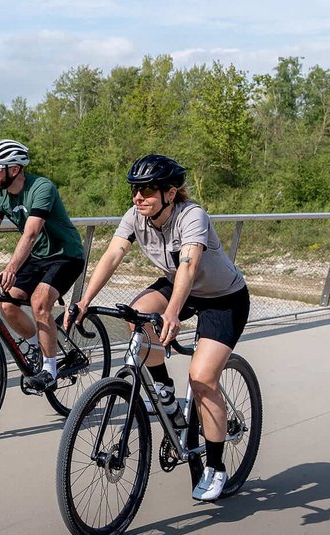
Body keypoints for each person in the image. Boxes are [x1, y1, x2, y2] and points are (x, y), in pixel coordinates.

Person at [62, 154, 251, 502]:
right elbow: (112, 255)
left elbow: (190, 265)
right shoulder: (136, 216)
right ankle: (163, 389)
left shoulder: (191, 215)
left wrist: (174, 314)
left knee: (202, 378)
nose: (138, 197)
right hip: (175, 284)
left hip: (223, 298)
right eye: (135, 189)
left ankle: (216, 467)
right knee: (136, 315)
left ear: (171, 192)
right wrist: (84, 300)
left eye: (148, 190)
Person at [0, 139, 86, 392]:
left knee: (39, 302)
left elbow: (31, 233)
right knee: (8, 304)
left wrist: (10, 268)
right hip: (37, 257)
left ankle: (50, 371)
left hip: (66, 255)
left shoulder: (42, 187)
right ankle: (37, 347)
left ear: (15, 169)